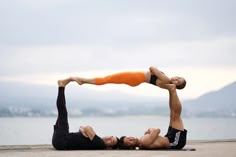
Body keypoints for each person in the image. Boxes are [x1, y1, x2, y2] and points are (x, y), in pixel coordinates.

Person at [52, 78, 119, 150]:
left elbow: (88, 128)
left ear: (109, 148)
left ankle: (61, 86)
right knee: (62, 112)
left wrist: (85, 129)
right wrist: (83, 129)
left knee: (62, 112)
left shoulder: (100, 144)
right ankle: (61, 86)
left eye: (111, 141)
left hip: (62, 141)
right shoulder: (96, 141)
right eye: (111, 137)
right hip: (61, 140)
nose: (108, 138)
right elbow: (82, 129)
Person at [118, 84, 187, 150]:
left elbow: (154, 136)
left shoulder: (142, 140)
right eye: (129, 142)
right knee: (176, 115)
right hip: (174, 142)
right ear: (131, 147)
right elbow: (157, 130)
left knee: (172, 113)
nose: (131, 139)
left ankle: (171, 90)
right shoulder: (143, 142)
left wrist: (150, 134)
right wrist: (150, 129)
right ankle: (172, 90)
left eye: (128, 138)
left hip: (169, 138)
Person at [71, 66, 186, 90]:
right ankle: (83, 81)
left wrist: (154, 70)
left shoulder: (166, 80)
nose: (176, 79)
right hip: (136, 79)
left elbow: (152, 67)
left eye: (178, 82)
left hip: (136, 78)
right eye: (178, 78)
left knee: (107, 79)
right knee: (107, 79)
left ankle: (83, 80)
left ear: (177, 86)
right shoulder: (166, 83)